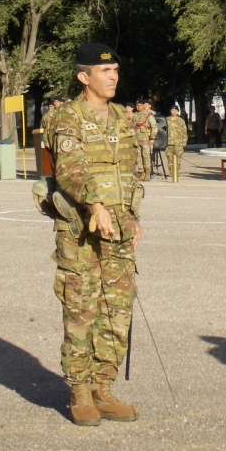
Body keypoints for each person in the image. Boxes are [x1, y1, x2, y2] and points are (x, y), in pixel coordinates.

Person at [46, 43, 144, 426]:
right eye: (105, 72)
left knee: (117, 311)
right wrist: (96, 206)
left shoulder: (122, 117)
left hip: (119, 230)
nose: (113, 76)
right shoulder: (66, 119)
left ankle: (103, 388)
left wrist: (133, 216)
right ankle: (80, 393)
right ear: (84, 77)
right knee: (81, 311)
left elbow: (132, 171)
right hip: (80, 233)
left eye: (116, 70)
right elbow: (70, 171)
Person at [166, 104, 189, 181]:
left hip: (178, 142)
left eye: (175, 110)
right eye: (172, 110)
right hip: (168, 142)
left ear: (177, 112)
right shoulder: (166, 120)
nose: (174, 112)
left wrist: (184, 141)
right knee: (169, 157)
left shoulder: (180, 121)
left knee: (177, 157)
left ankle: (176, 171)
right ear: (170, 111)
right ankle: (171, 171)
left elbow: (184, 131)